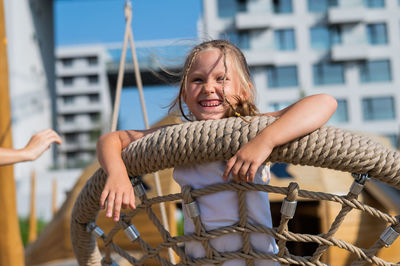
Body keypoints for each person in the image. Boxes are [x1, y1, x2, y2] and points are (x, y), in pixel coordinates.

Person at [97, 40, 337, 265]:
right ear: (184, 94)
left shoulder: (252, 129)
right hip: (203, 260)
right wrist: (117, 174)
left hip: (257, 260)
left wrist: (265, 142)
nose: (209, 88)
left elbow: (325, 102)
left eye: (221, 79)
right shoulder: (180, 138)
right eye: (197, 80)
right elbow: (111, 139)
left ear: (244, 90)